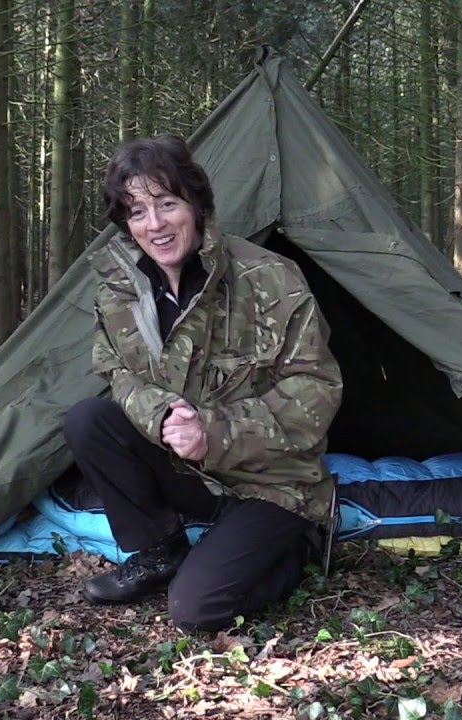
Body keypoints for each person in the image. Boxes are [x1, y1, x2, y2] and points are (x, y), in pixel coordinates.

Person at [61, 134, 343, 632]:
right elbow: (116, 370)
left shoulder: (269, 278)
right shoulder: (120, 288)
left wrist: (213, 431)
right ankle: (159, 549)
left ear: (195, 204)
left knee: (195, 610)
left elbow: (315, 392)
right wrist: (165, 415)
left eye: (167, 204)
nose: (155, 225)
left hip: (271, 481)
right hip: (188, 471)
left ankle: (295, 545)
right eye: (137, 211)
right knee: (90, 420)